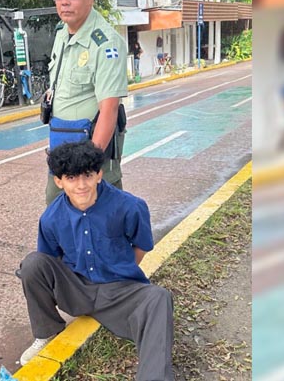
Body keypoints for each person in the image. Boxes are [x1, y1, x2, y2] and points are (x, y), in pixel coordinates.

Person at [18, 141, 174, 380]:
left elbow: (141, 246)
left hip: (120, 290)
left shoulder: (130, 206)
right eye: (71, 178)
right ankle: (47, 332)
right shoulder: (51, 217)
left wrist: (120, 273)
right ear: (59, 181)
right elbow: (50, 261)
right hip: (77, 290)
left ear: (99, 174)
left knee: (159, 298)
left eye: (88, 175)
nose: (81, 185)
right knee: (32, 264)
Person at [42, 0, 128, 205]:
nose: (64, 1)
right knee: (58, 220)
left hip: (91, 155)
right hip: (62, 150)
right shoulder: (62, 32)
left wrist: (87, 170)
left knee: (104, 225)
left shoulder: (106, 43)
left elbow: (109, 110)